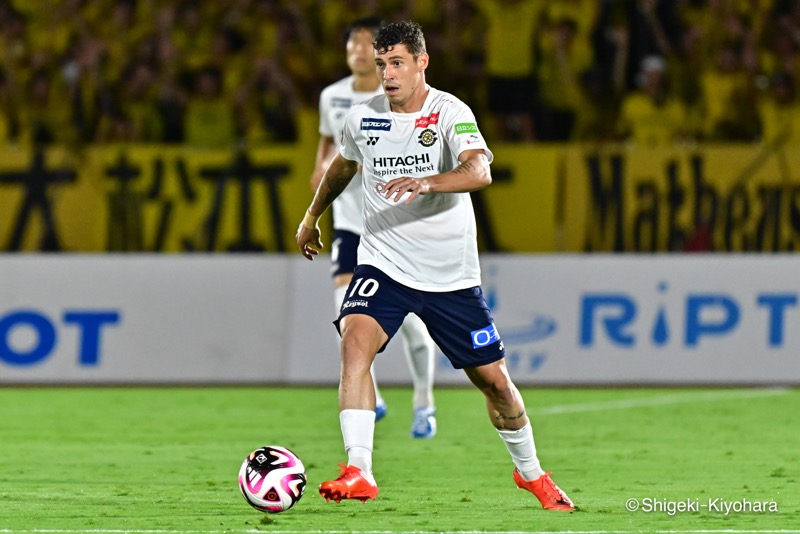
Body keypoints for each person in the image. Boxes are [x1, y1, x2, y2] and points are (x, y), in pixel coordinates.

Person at [296, 20, 574, 511]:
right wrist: (311, 216)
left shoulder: (449, 112)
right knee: (354, 342)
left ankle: (531, 474)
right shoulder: (363, 118)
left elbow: (479, 170)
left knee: (497, 385)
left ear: (422, 62)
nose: (388, 74)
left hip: (450, 277)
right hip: (383, 262)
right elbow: (342, 166)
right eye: (382, 64)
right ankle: (359, 469)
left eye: (397, 63)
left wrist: (427, 181)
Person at [310, 17, 437, 439]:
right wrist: (320, 172)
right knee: (346, 316)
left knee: (416, 325)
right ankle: (374, 398)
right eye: (355, 45)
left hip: (396, 225)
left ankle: (424, 401)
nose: (361, 53)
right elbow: (329, 145)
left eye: (369, 46)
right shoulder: (333, 97)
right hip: (351, 223)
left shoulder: (399, 101)